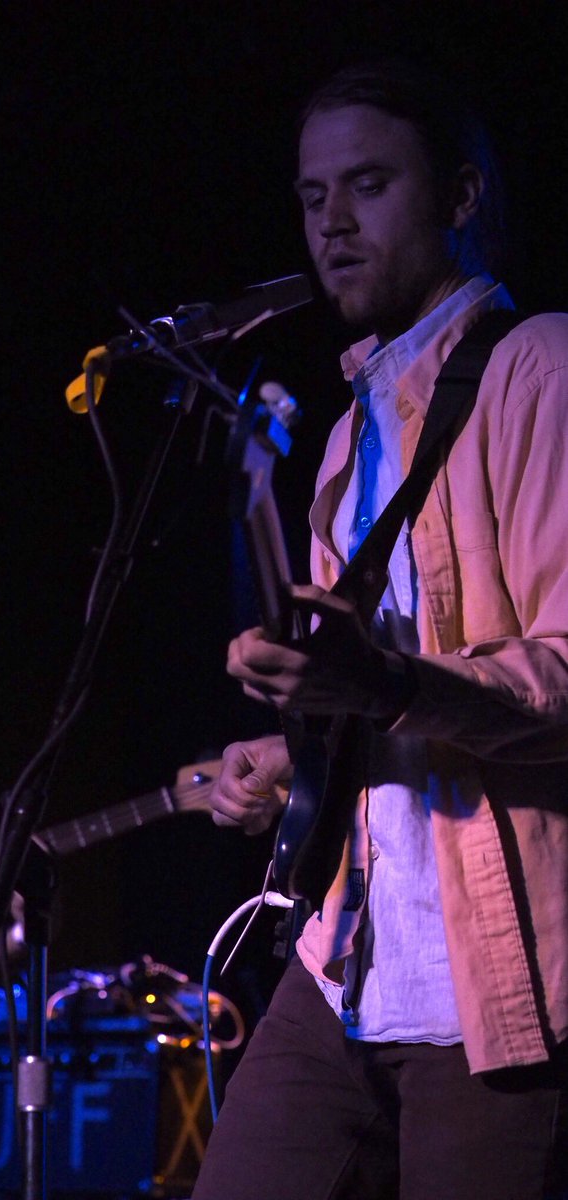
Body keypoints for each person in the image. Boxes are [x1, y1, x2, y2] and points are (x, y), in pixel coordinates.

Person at [192, 59, 568, 1200]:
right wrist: (298, 746)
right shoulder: (349, 437)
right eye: (312, 197)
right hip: (346, 964)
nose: (331, 224)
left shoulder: (537, 367)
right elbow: (374, 703)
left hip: (498, 985)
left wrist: (384, 685)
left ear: (459, 195)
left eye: (367, 185)